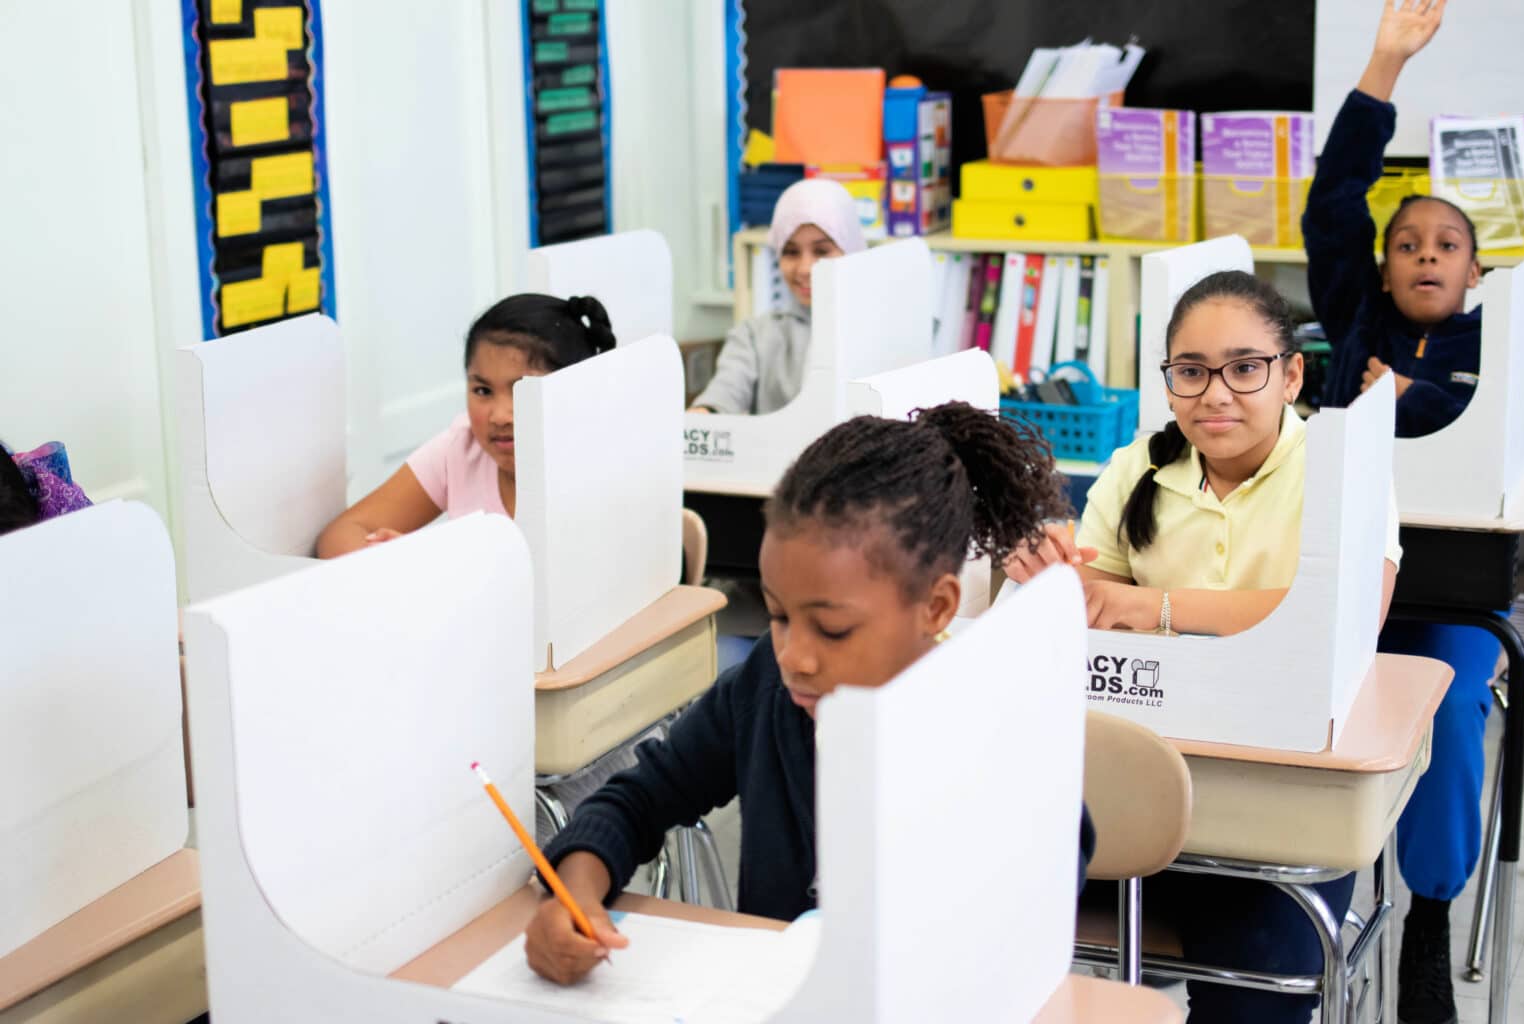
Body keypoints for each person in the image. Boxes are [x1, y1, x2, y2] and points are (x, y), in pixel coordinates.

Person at [524, 402, 1091, 984]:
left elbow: (1025, 922)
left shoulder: (995, 732)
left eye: (833, 629)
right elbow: (640, 797)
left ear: (936, 607)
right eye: (777, 615)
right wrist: (575, 893)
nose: (795, 655)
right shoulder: (767, 687)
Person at [1008, 270, 1402, 1023]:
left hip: (1273, 821)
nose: (1215, 393)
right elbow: (1088, 611)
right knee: (985, 919)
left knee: (1258, 982)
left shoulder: (1342, 472)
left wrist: (1151, 606)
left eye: (1244, 368)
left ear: (1291, 375)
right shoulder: (1137, 468)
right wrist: (1046, 579)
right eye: (1190, 372)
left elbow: (1346, 618)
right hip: (1127, 802)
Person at [1304, 3, 1497, 1017]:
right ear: (1381, 267)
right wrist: (1385, 62)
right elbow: (1335, 198)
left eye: (1447, 245)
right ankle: (1309, 902)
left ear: (1475, 273)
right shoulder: (1354, 322)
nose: (1426, 254)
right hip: (1341, 585)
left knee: (1454, 709)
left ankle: (1427, 918)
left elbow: (1468, 423)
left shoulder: (1496, 352)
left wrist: (1404, 402)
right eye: (1408, 241)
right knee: (1308, 702)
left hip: (1452, 599)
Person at [316, 294, 615, 557]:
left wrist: (443, 564)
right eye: (482, 391)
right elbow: (339, 535)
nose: (499, 416)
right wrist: (403, 561)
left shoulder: (604, 470)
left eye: (521, 390)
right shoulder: (460, 449)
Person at [688, 178, 865, 415]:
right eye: (791, 252)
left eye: (822, 251)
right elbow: (725, 392)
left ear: (851, 249)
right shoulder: (755, 335)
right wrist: (703, 415)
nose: (804, 268)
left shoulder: (879, 330)